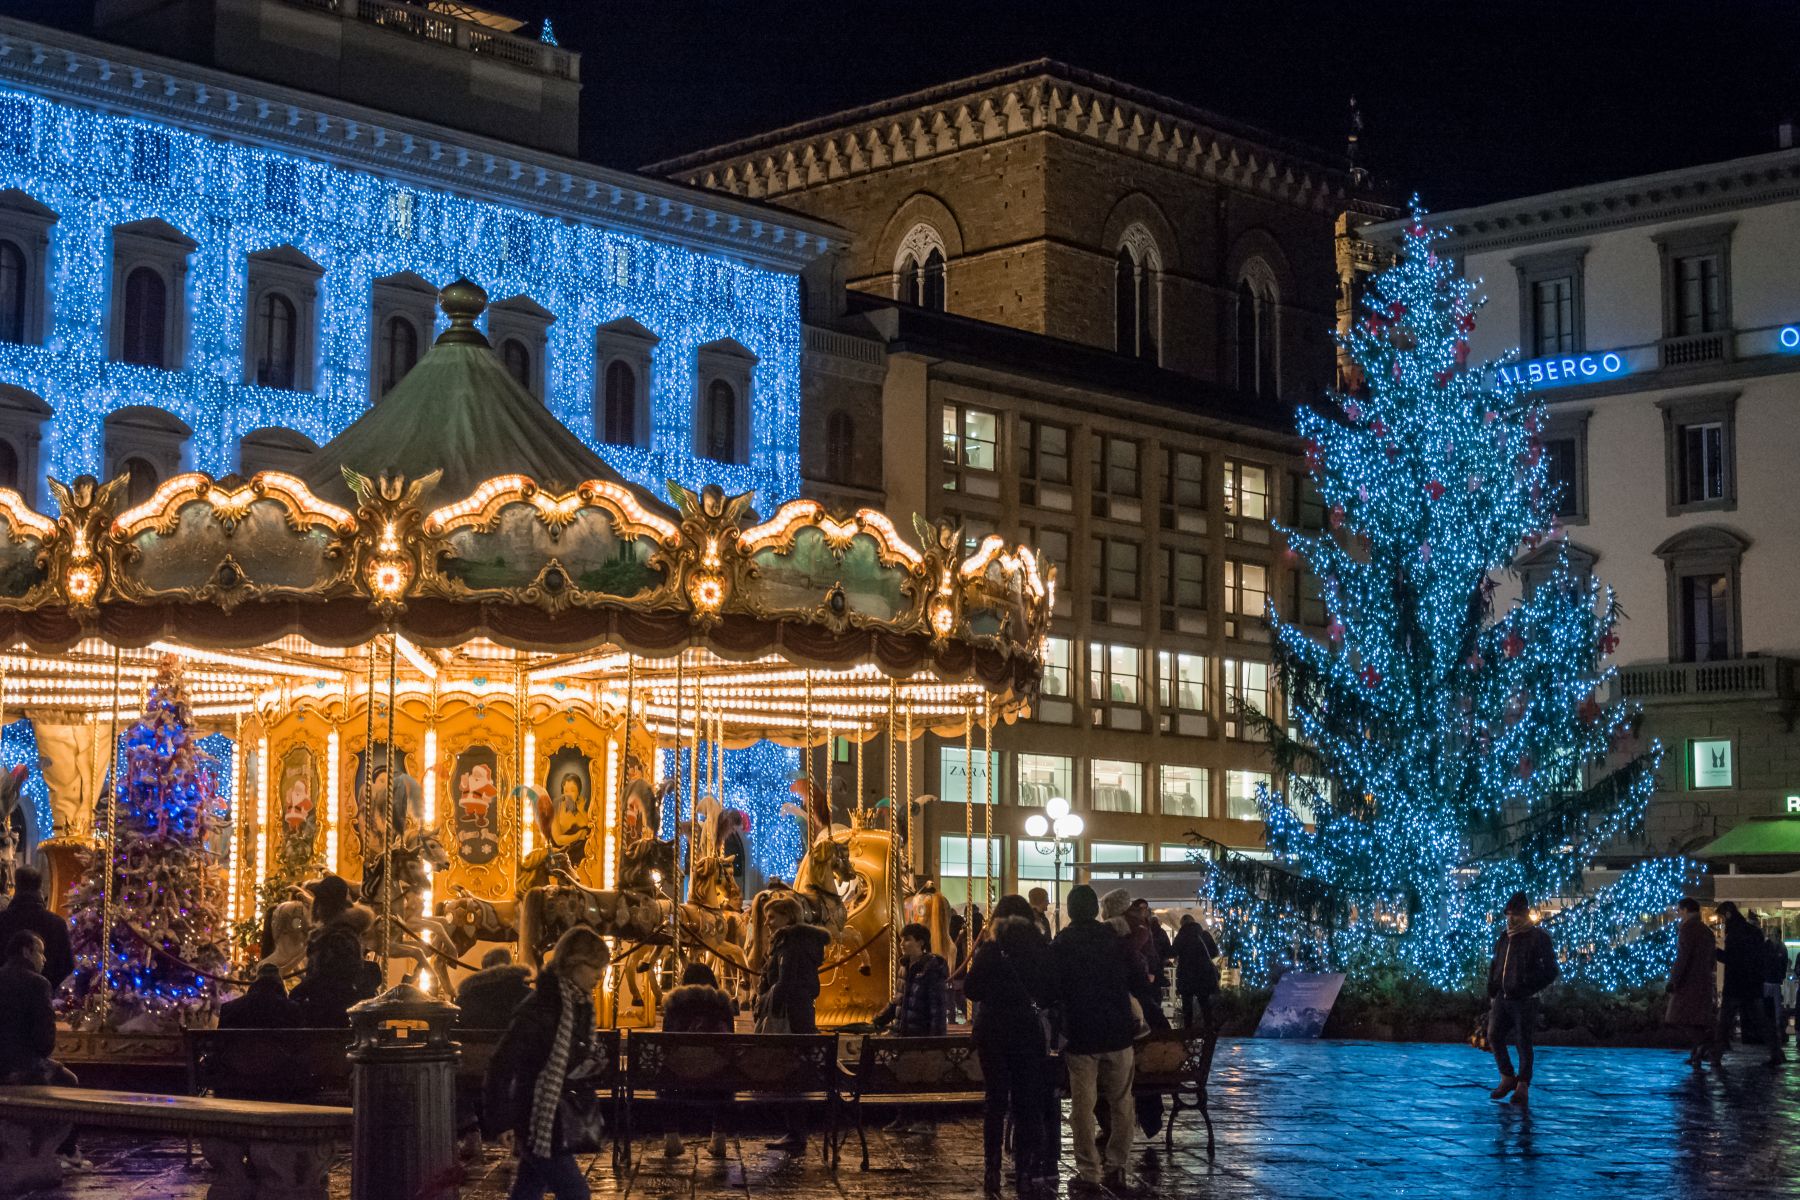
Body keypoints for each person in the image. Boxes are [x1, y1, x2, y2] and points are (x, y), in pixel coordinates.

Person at [484, 927, 610, 1200]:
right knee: (575, 1192)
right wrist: (501, 1119)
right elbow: (503, 1063)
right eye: (594, 966)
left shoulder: (578, 1005)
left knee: (529, 1188)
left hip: (554, 1116)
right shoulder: (541, 1007)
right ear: (573, 962)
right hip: (537, 1116)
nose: (599, 975)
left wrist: (591, 1063)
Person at [1050, 884, 1138, 1194]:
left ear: (1072, 911)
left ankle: (1088, 1169)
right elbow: (1138, 978)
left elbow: (1052, 989)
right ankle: (1117, 1164)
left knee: (1082, 1107)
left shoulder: (1062, 943)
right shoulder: (1114, 939)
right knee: (1122, 1102)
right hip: (1118, 1034)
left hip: (1082, 1035)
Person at [964, 894, 1053, 1197]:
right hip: (1027, 1031)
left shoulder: (991, 948)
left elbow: (972, 989)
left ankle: (992, 1169)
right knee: (1027, 1101)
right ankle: (1025, 1170)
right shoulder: (1039, 946)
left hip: (993, 1032)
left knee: (995, 1101)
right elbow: (1048, 991)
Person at [0, 932, 86, 1170]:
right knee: (70, 1083)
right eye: (40, 951)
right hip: (21, 1069)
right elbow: (44, 1043)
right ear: (27, 951)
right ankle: (64, 1150)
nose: (44, 959)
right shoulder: (38, 984)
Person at [752, 895, 830, 1154]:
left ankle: (796, 1132)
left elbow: (784, 983)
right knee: (792, 1073)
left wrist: (764, 1000)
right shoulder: (795, 942)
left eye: (772, 916)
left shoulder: (791, 944)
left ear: (789, 916)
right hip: (800, 1015)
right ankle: (794, 1131)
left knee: (790, 1072)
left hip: (790, 1018)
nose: (768, 922)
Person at [1486, 891, 1558, 1106]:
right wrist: (1492, 987)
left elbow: (1551, 970)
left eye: (1514, 915)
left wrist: (1528, 985)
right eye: (1508, 915)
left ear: (1523, 916)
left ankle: (1523, 1085)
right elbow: (1496, 964)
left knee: (1522, 1041)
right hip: (1504, 995)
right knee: (1494, 1035)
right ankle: (1507, 1076)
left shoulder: (1538, 938)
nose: (1510, 919)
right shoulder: (1504, 938)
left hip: (1525, 999)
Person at [660, 962, 735, 1160]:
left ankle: (672, 1138)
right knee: (727, 1075)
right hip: (716, 1078)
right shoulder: (722, 1005)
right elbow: (731, 1040)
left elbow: (665, 1043)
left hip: (679, 1076)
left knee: (664, 1077)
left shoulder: (674, 1004)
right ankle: (718, 1138)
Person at [290, 876, 377, 1027]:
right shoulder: (338, 933)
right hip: (332, 1003)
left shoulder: (337, 937)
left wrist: (301, 990)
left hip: (331, 1008)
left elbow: (329, 976)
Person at [1715, 901, 1784, 1065]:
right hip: (1752, 984)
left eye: (1722, 917)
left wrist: (1716, 953)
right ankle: (1776, 1052)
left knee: (1724, 1022)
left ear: (1728, 914)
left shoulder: (1734, 933)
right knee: (1761, 1020)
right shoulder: (1753, 932)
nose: (1722, 921)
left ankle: (1715, 1056)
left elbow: (1733, 959)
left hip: (1735, 984)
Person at [1664, 898, 1717, 1068]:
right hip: (1703, 981)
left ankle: (1704, 1044)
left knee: (1678, 1017)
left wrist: (1674, 980)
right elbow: (1711, 959)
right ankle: (1697, 1053)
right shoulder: (1706, 931)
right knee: (1696, 1019)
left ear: (1685, 910)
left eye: (1679, 911)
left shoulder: (1687, 929)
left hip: (1688, 982)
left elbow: (1682, 958)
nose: (1679, 915)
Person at [0, 867, 73, 988]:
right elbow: (66, 967)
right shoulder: (57, 923)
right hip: (46, 997)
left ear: (16, 887)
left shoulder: (2, 920)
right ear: (40, 888)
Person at [873, 923, 949, 1037]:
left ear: (920, 942)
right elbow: (899, 1000)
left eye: (907, 940)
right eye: (902, 939)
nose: (902, 944)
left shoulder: (931, 968)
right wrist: (878, 1020)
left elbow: (937, 1009)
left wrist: (936, 1040)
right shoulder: (905, 966)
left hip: (920, 1036)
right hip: (903, 1033)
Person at [457, 949, 534, 1029]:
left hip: (474, 1040)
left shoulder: (465, 998)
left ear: (483, 968)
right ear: (510, 965)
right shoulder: (528, 996)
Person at [218, 961, 303, 1029]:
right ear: (280, 983)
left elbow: (221, 1045)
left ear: (255, 981)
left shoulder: (229, 1009)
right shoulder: (293, 1010)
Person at [1171, 914, 1221, 1030]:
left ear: (1182, 924)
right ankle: (1208, 1030)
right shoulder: (1204, 934)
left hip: (1186, 976)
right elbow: (1214, 952)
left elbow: (1173, 952)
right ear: (1194, 922)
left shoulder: (1181, 936)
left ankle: (1188, 1033)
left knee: (1187, 1007)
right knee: (1204, 1004)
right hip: (1203, 975)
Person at [1763, 924, 1790, 1047]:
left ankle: (1772, 1031)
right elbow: (1783, 963)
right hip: (1774, 981)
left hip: (1769, 980)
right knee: (1776, 1007)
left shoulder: (1768, 946)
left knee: (1770, 1008)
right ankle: (1777, 1031)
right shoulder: (1781, 947)